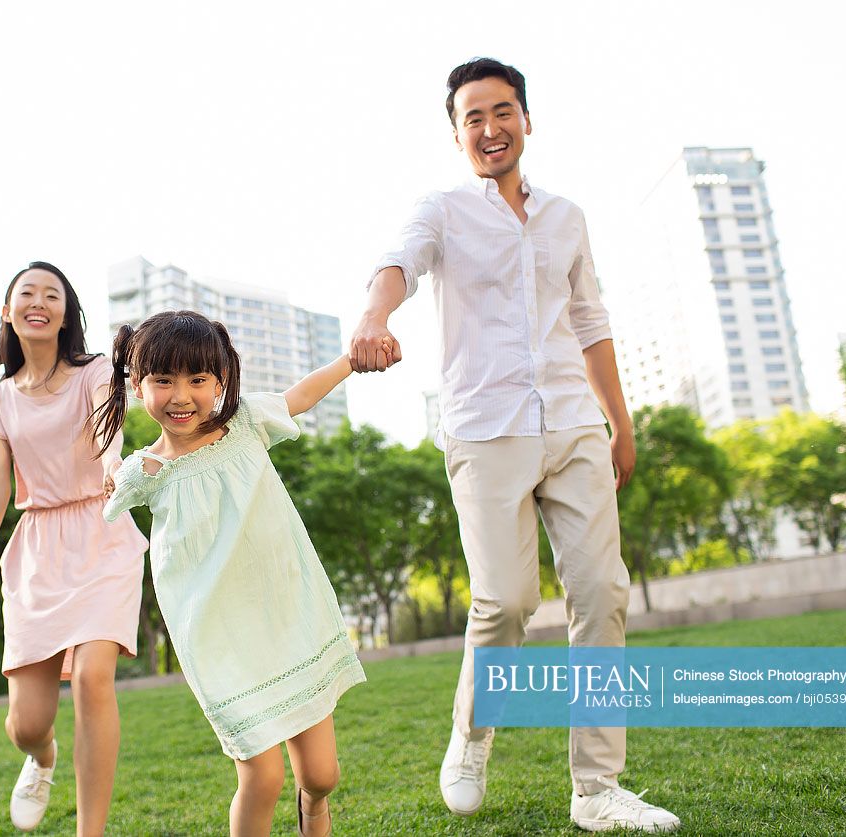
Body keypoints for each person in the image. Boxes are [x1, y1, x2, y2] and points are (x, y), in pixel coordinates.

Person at [349, 59, 681, 832]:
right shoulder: (441, 209)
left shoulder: (567, 216)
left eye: (503, 111)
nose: (490, 128)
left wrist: (618, 421)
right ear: (457, 132)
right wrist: (374, 316)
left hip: (571, 421)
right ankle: (469, 738)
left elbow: (590, 320)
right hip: (484, 425)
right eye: (473, 117)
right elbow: (397, 262)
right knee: (506, 602)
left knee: (601, 593)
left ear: (526, 120)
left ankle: (596, 788)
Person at [97, 310, 372, 837]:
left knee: (321, 775)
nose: (181, 395)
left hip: (286, 613)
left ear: (221, 380)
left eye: (198, 379)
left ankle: (312, 805)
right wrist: (112, 477)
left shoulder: (245, 425)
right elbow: (103, 496)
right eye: (164, 380)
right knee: (262, 778)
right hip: (219, 638)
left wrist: (350, 361)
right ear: (138, 385)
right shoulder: (144, 473)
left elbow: (301, 395)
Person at [0, 261, 148, 835]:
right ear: (8, 311)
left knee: (94, 676)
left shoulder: (94, 371)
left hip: (101, 529)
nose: (40, 302)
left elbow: (106, 428)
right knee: (26, 723)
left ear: (66, 312)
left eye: (53, 294)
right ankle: (41, 757)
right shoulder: (1, 399)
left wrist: (117, 467)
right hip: (37, 550)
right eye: (27, 294)